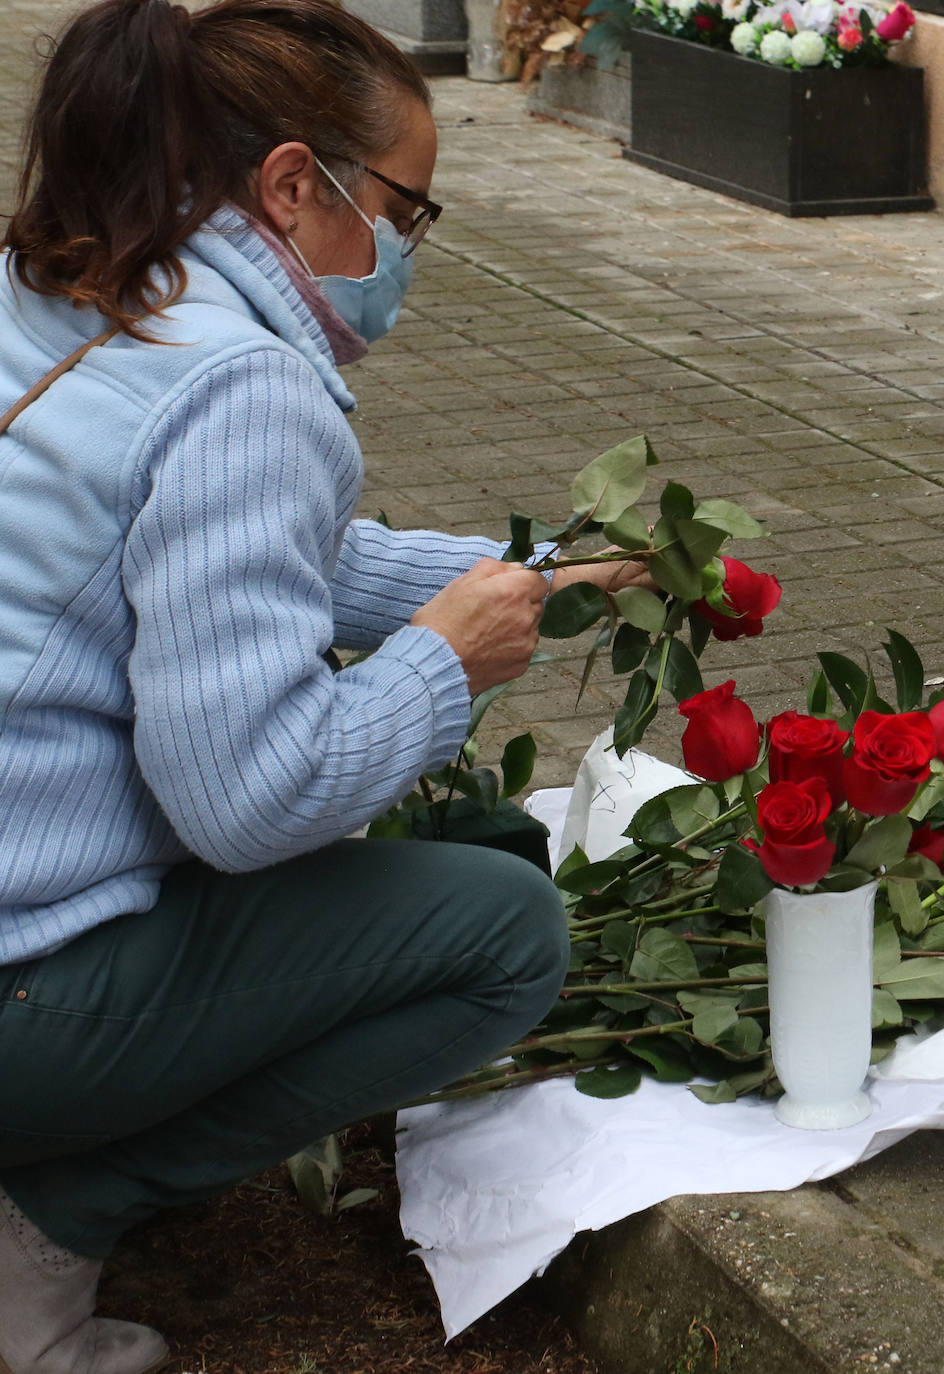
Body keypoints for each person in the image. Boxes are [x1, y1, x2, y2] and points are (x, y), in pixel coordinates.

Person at [0, 2, 646, 1370]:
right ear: (293, 185)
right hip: (18, 997)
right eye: (404, 214)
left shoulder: (69, 285)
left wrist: (523, 570)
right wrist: (442, 662)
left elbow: (219, 555)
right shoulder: (240, 388)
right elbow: (247, 797)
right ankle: (48, 1212)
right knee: (501, 926)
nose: (404, 259)